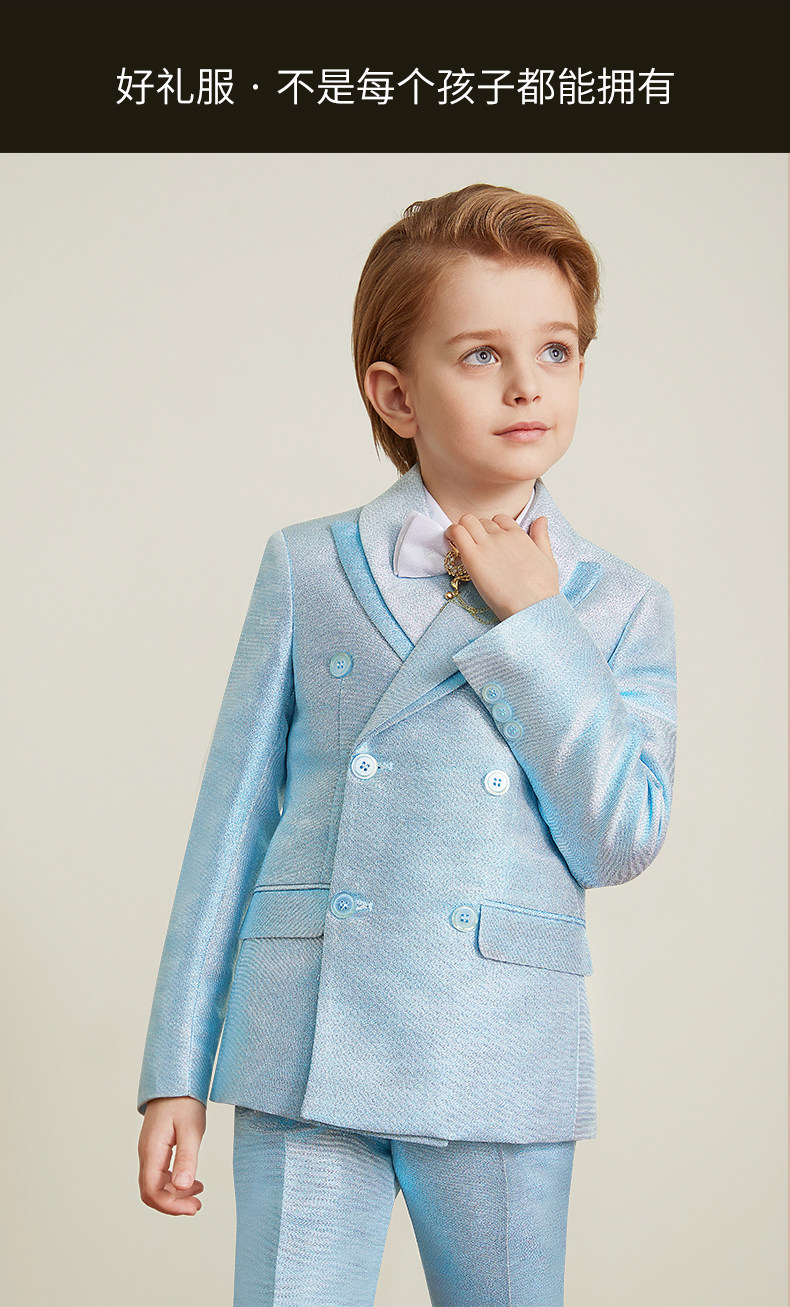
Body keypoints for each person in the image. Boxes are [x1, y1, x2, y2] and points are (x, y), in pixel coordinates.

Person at [137, 183, 677, 1306]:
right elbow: (228, 827)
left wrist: (538, 623)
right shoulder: (307, 566)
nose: (527, 384)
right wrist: (174, 1069)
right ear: (394, 392)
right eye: (481, 354)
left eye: (556, 350)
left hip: (499, 1049)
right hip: (304, 1046)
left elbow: (623, 835)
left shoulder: (619, 604)